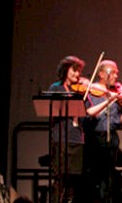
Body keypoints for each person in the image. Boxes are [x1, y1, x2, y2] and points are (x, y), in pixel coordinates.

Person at [82, 60, 122, 202]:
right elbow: (89, 113)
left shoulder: (115, 94)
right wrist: (108, 100)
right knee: (93, 177)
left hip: (111, 139)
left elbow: (119, 121)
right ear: (101, 74)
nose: (116, 76)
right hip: (94, 139)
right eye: (112, 72)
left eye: (117, 73)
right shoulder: (90, 93)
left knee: (109, 177)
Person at [47, 55, 87, 203]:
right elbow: (53, 111)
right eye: (74, 70)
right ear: (65, 70)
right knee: (60, 178)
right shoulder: (56, 87)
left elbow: (86, 113)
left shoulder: (79, 91)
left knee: (74, 180)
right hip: (61, 138)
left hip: (77, 138)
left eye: (79, 72)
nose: (77, 75)